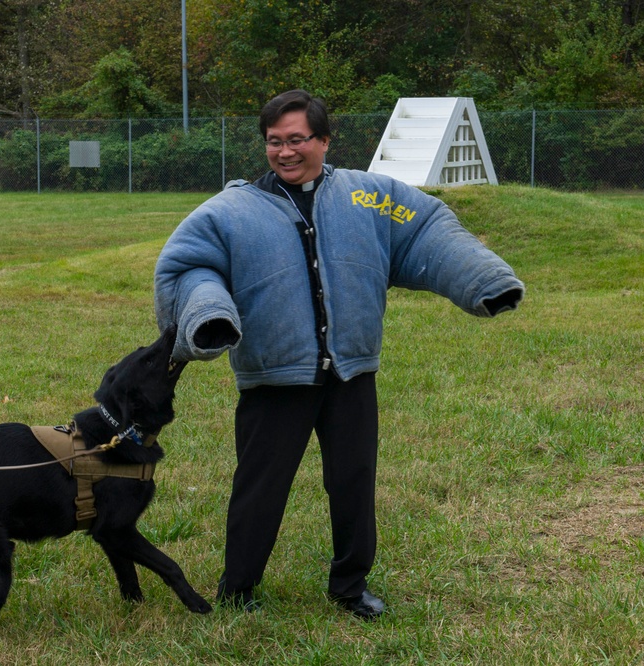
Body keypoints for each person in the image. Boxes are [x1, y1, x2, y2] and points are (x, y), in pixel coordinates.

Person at [154, 89, 524, 618]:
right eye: (274, 141)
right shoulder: (229, 212)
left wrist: (484, 281)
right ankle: (238, 590)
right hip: (274, 379)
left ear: (324, 140)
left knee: (353, 484)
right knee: (260, 490)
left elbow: (425, 230)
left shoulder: (369, 197)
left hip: (351, 372)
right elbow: (190, 266)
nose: (285, 151)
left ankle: (350, 587)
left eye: (297, 139)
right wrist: (206, 312)